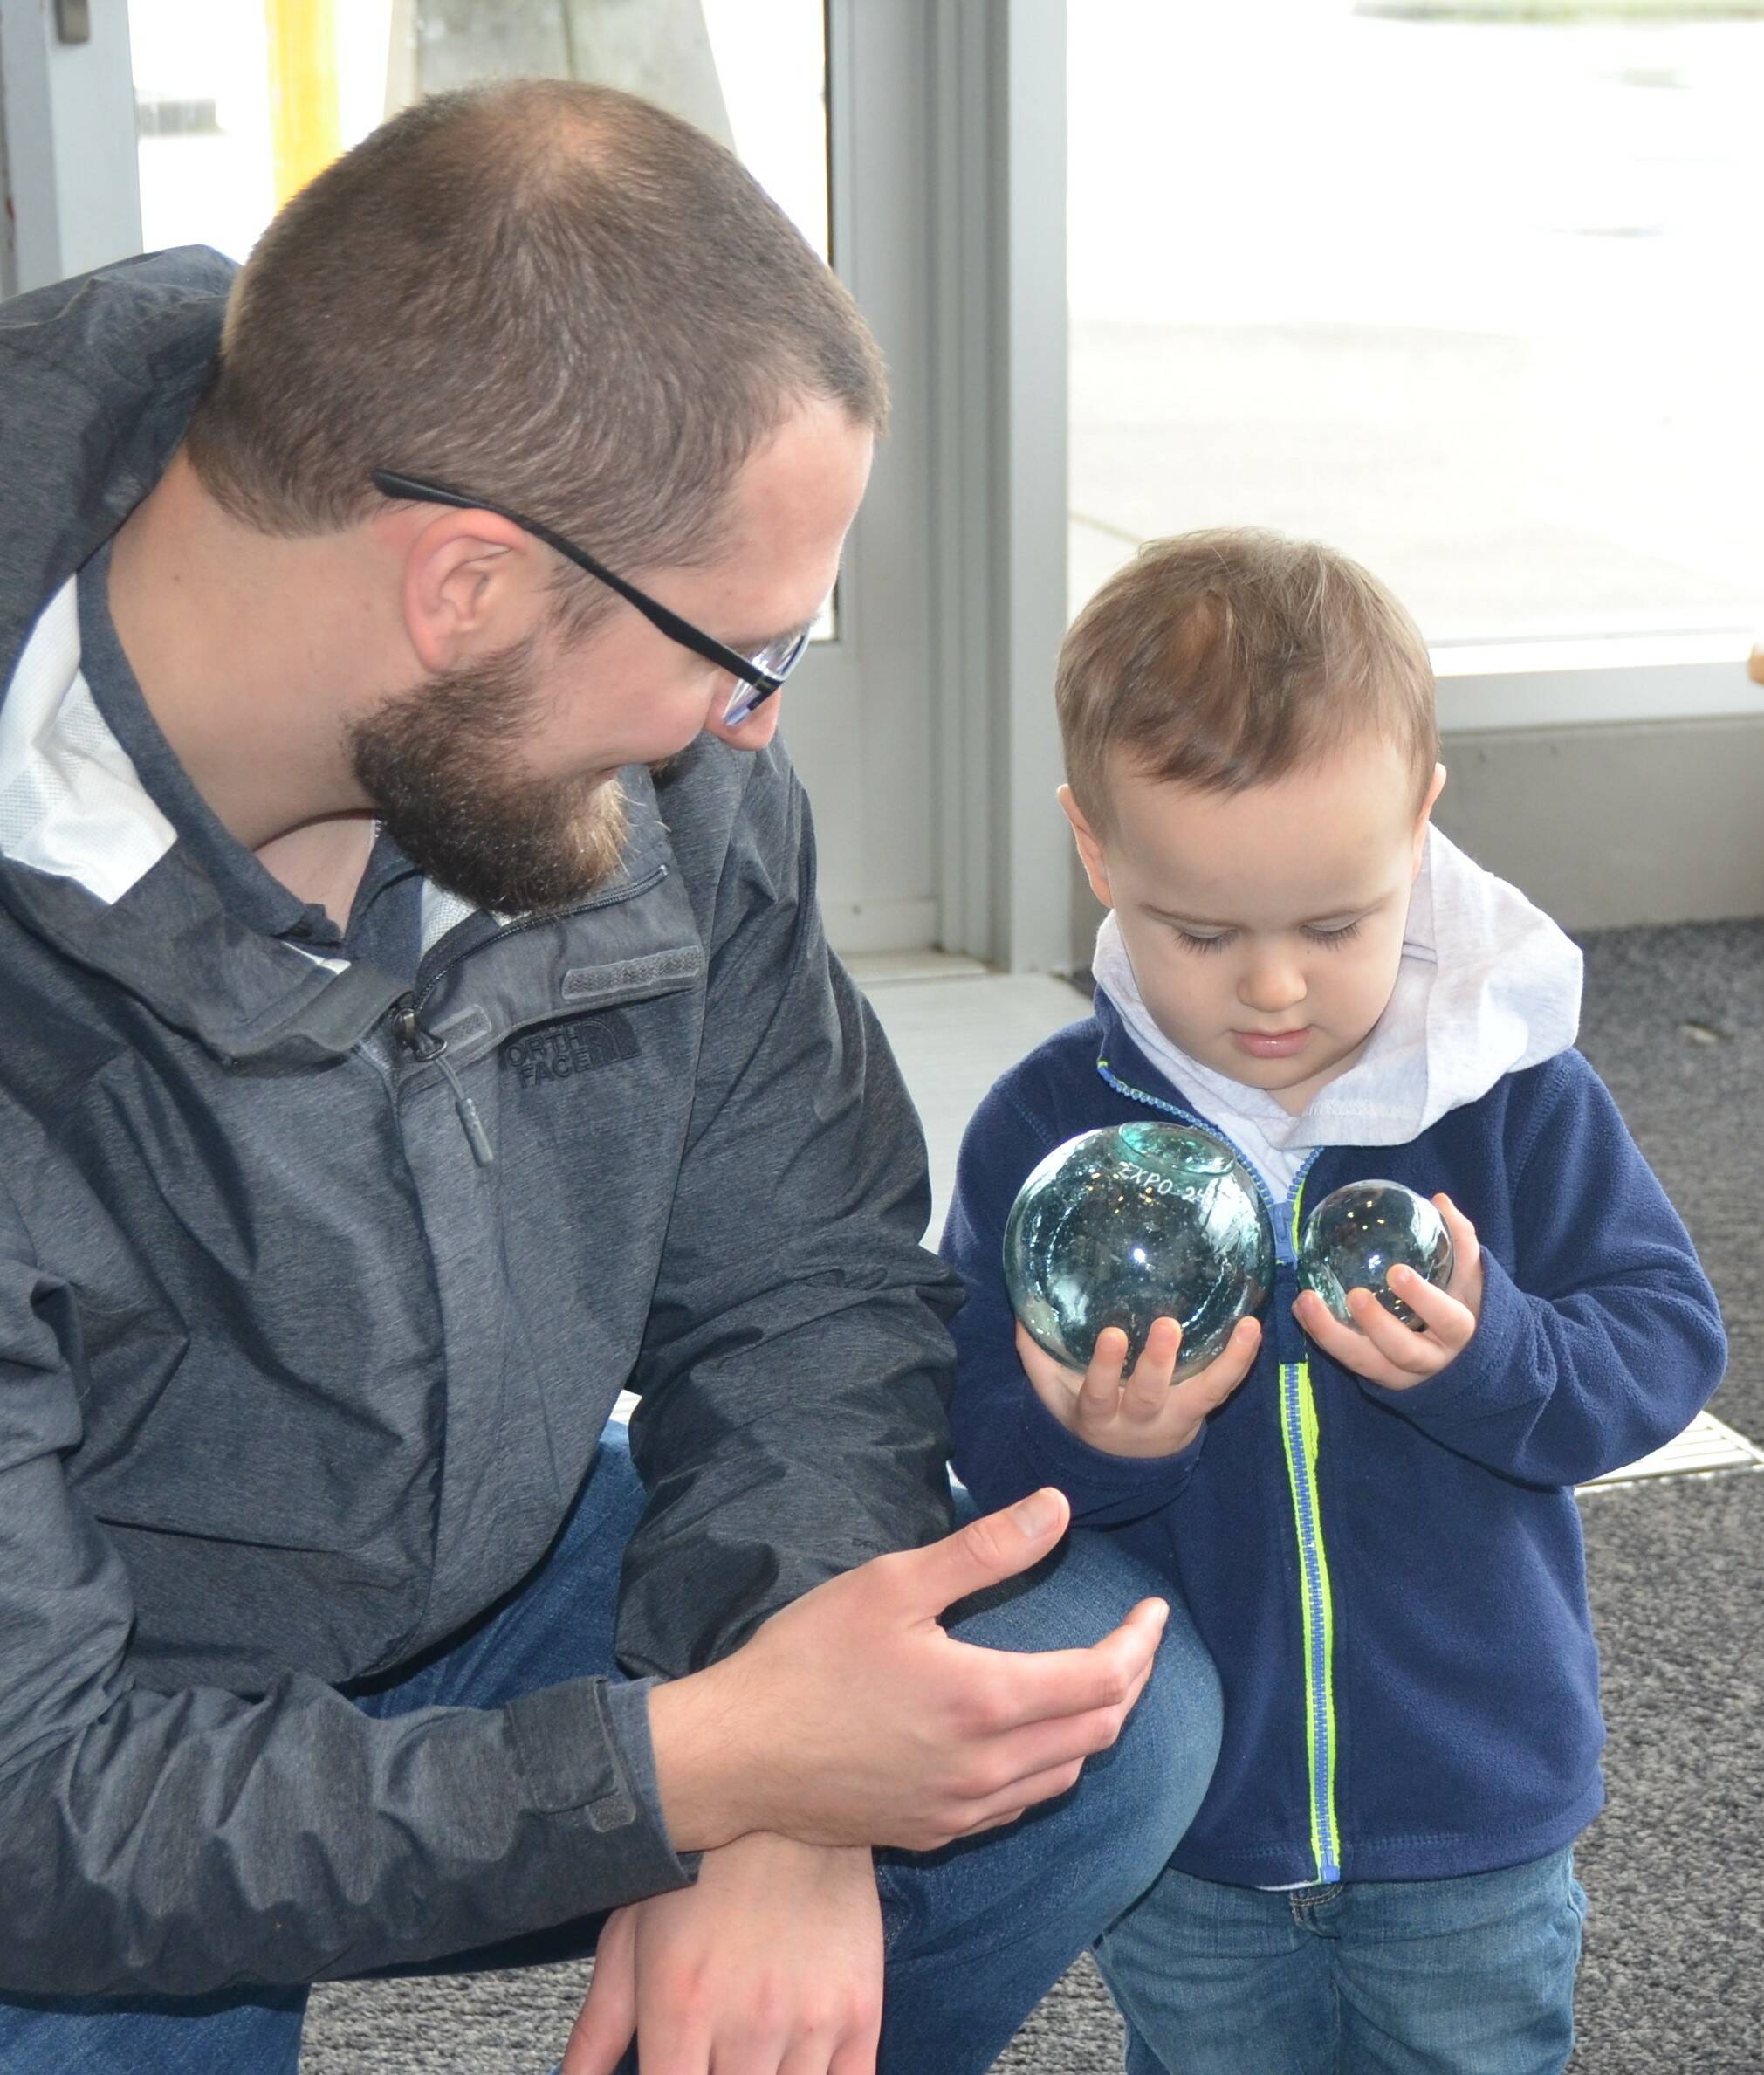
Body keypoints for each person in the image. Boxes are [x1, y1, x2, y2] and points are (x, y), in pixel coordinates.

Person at [0, 83, 1225, 2075]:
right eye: (739, 648)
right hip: (82, 1751)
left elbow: (814, 1271)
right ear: (463, 588)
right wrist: (684, 1767)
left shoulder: (605, 740)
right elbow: (38, 1810)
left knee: (1067, 1704)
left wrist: (781, 1770)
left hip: (461, 1568)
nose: (752, 731)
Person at [942, 529, 1728, 2074]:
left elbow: (1660, 1339)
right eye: (1202, 932)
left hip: (1467, 1807)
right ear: (1097, 854)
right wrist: (1098, 1440)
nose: (1274, 991)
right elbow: (973, 1438)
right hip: (1190, 1831)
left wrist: (1490, 1355)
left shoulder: (1508, 1097)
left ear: (1421, 827)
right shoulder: (1053, 1131)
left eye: (1333, 924)